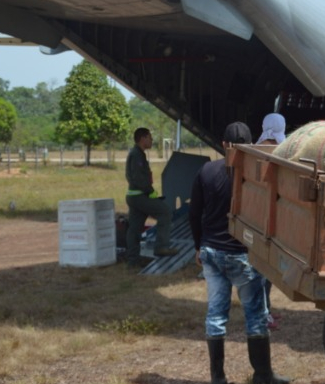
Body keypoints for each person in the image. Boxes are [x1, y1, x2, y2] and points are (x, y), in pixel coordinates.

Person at [190, 122, 290, 384]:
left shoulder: (206, 171)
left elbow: (194, 212)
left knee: (215, 315)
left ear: (223, 144)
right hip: (243, 255)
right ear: (250, 145)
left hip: (211, 252)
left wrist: (198, 246)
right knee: (255, 315)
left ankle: (218, 378)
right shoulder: (255, 174)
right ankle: (263, 375)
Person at [124, 127, 180, 269]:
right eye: (149, 137)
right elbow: (138, 178)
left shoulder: (136, 153)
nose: (152, 140)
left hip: (134, 196)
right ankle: (161, 247)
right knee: (165, 212)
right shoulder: (137, 155)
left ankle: (133, 261)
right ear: (142, 138)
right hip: (140, 195)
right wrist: (150, 192)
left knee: (134, 229)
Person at [254, 112, 285, 330]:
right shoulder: (277, 152)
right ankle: (262, 315)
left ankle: (267, 309)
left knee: (266, 270)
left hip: (261, 215)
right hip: (265, 218)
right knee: (261, 271)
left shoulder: (253, 150)